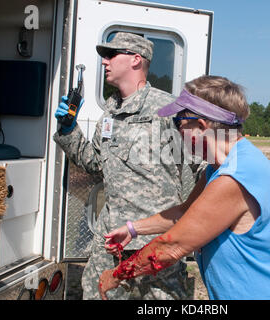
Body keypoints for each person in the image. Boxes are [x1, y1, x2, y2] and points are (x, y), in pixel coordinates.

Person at [99, 75, 270, 300]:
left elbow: (172, 246)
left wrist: (116, 275)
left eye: (178, 124)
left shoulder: (234, 177)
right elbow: (186, 212)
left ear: (200, 126)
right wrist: (133, 228)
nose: (177, 133)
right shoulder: (220, 166)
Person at [54, 32, 203, 300]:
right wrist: (68, 130)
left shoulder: (168, 109)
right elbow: (95, 164)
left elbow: (200, 165)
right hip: (110, 241)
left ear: (136, 59)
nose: (104, 62)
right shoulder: (110, 113)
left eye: (111, 55)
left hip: (155, 243)